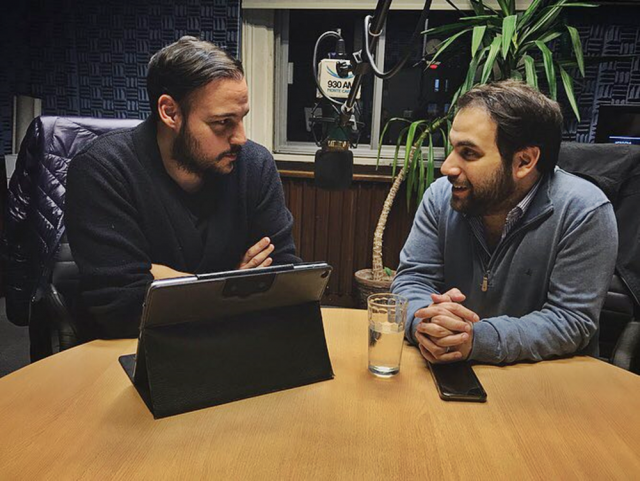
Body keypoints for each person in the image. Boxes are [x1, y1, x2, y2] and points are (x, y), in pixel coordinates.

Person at [66, 36, 300, 339]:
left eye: (242, 118)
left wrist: (166, 281)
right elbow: (123, 309)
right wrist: (232, 286)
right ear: (170, 112)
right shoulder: (103, 169)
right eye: (223, 122)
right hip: (129, 351)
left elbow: (284, 282)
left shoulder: (255, 164)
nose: (241, 138)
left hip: (230, 345)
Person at [391, 80, 618, 365]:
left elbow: (570, 320)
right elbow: (413, 280)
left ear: (524, 161)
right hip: (449, 371)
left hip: (545, 380)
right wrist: (425, 323)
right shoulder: (440, 197)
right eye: (452, 149)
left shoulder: (584, 211)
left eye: (468, 153)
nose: (447, 167)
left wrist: (475, 339)